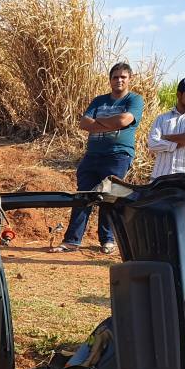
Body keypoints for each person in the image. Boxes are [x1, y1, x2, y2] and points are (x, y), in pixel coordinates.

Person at [52, 63, 145, 254]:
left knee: (108, 196)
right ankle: (71, 241)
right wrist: (110, 125)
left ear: (129, 79)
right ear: (110, 80)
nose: (119, 80)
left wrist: (98, 124)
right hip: (93, 155)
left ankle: (107, 240)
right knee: (82, 196)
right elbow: (84, 123)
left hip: (118, 154)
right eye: (115, 77)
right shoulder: (99, 100)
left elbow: (124, 120)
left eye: (123, 77)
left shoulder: (134, 100)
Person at [147, 76, 185, 187]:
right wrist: (182, 142)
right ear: (179, 94)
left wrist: (166, 138)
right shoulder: (162, 118)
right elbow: (152, 144)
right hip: (161, 177)